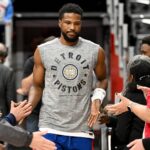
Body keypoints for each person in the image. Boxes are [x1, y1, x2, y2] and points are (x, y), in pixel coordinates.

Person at [27, 3, 108, 150]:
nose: (72, 27)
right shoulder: (43, 50)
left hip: (82, 128)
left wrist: (97, 99)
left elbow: (103, 79)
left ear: (81, 24)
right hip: (49, 126)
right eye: (68, 23)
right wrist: (27, 107)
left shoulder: (95, 50)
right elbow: (37, 86)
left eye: (77, 23)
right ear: (60, 23)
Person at [99, 54, 149, 150]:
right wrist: (111, 120)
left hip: (134, 146)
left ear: (131, 76)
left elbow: (122, 134)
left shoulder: (129, 97)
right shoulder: (147, 94)